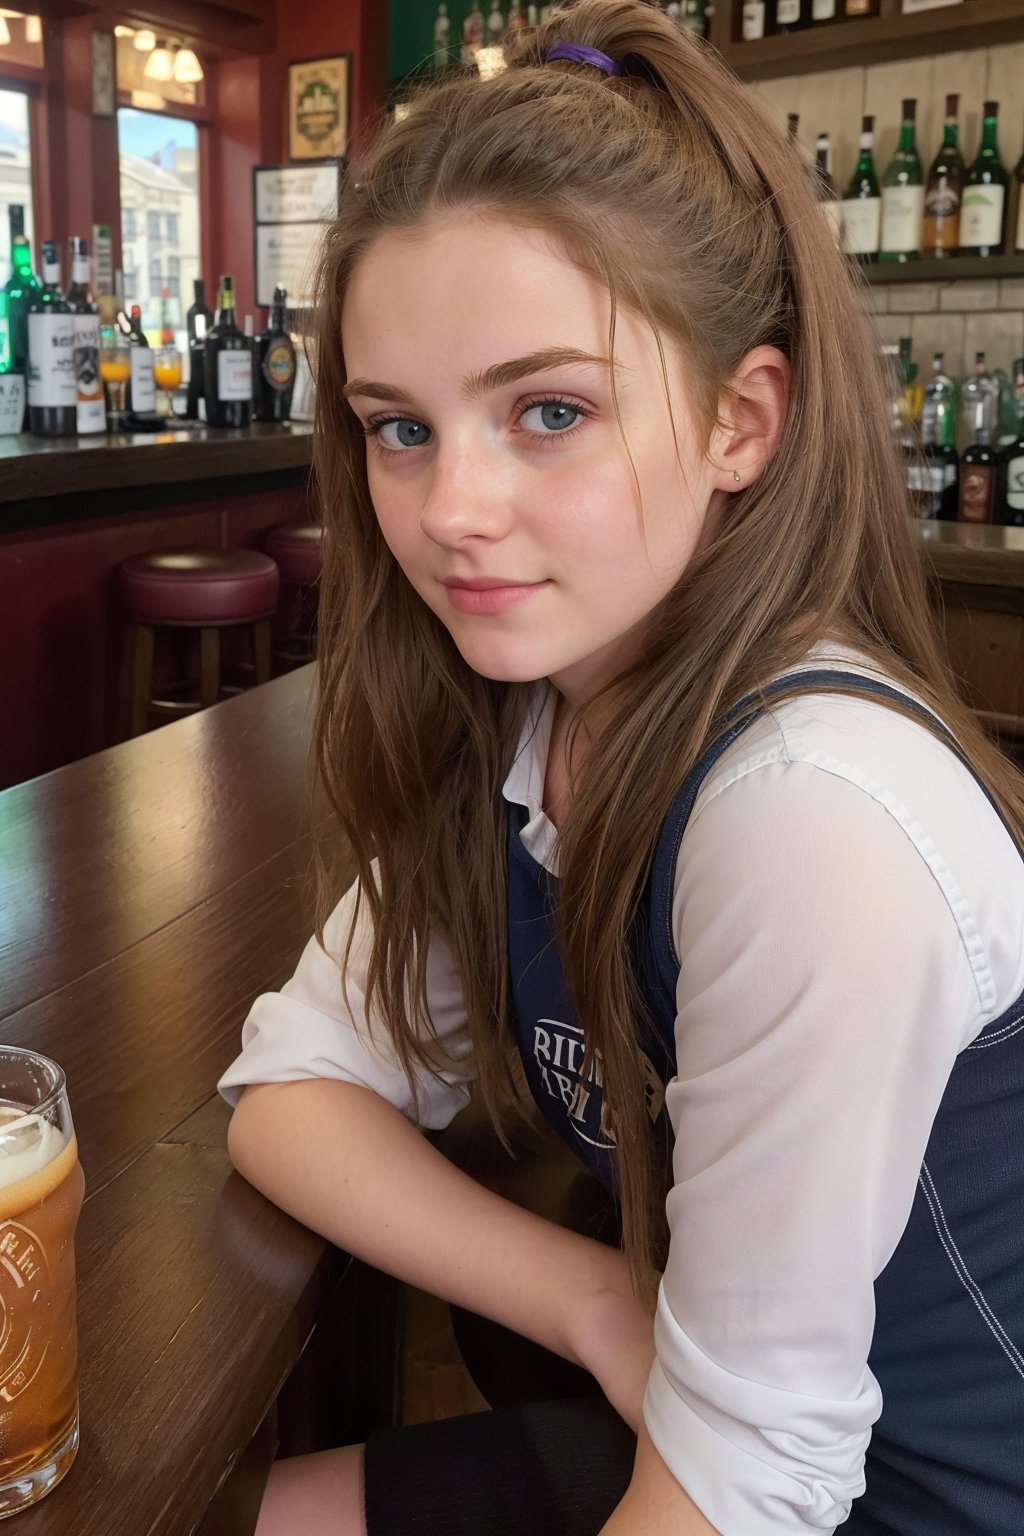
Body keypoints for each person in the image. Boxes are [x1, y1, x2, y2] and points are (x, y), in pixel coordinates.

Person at [218, 2, 1024, 1531]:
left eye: (548, 412)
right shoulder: (544, 727)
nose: (452, 508)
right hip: (716, 1424)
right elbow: (291, 1086)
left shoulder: (809, 815)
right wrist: (593, 1300)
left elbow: (752, 1485)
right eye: (400, 429)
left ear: (742, 419)